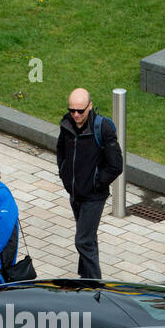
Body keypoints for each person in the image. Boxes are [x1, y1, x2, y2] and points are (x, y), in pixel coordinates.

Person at [56, 88, 123, 279]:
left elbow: (116, 165)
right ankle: (85, 277)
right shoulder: (67, 124)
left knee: (83, 240)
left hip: (94, 196)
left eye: (80, 111)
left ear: (90, 106)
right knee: (88, 238)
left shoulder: (103, 128)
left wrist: (96, 182)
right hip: (75, 193)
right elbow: (60, 149)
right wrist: (64, 172)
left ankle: (94, 285)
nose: (76, 115)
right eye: (72, 110)